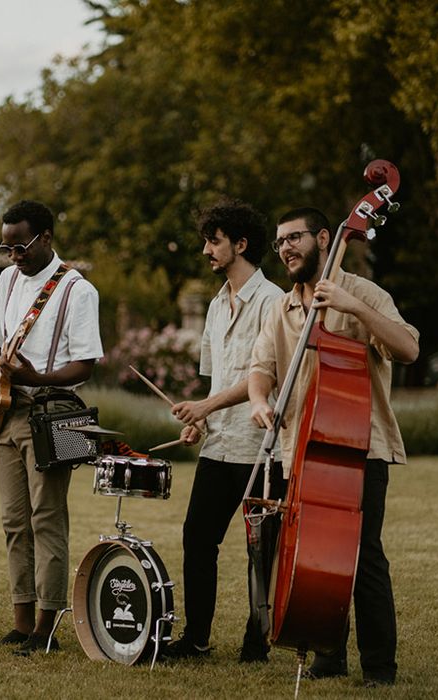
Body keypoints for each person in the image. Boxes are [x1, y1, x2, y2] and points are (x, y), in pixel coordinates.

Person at [248, 207, 419, 686]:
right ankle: (326, 650)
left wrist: (352, 306)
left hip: (359, 450)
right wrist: (260, 402)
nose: (285, 248)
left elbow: (408, 349)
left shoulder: (364, 293)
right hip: (299, 450)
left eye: (294, 238)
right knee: (312, 553)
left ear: (324, 238)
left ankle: (380, 668)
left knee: (363, 557)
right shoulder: (281, 308)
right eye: (280, 242)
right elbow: (260, 369)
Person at [161, 199, 285, 662]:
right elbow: (215, 380)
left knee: (261, 550)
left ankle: (258, 641)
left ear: (241, 243)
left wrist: (205, 405)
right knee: (197, 537)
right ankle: (196, 638)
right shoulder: (215, 304)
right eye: (206, 242)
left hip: (262, 446)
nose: (206, 251)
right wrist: (202, 421)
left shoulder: (273, 302)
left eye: (214, 242)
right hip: (220, 444)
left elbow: (261, 378)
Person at [0, 199, 103, 656]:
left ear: (46, 237)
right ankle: (21, 621)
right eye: (6, 246)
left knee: (47, 518)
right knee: (14, 521)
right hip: (8, 412)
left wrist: (36, 378)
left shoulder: (77, 290)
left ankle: (46, 627)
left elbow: (84, 366)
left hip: (57, 414)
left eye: (20, 245)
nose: (13, 254)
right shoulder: (7, 278)